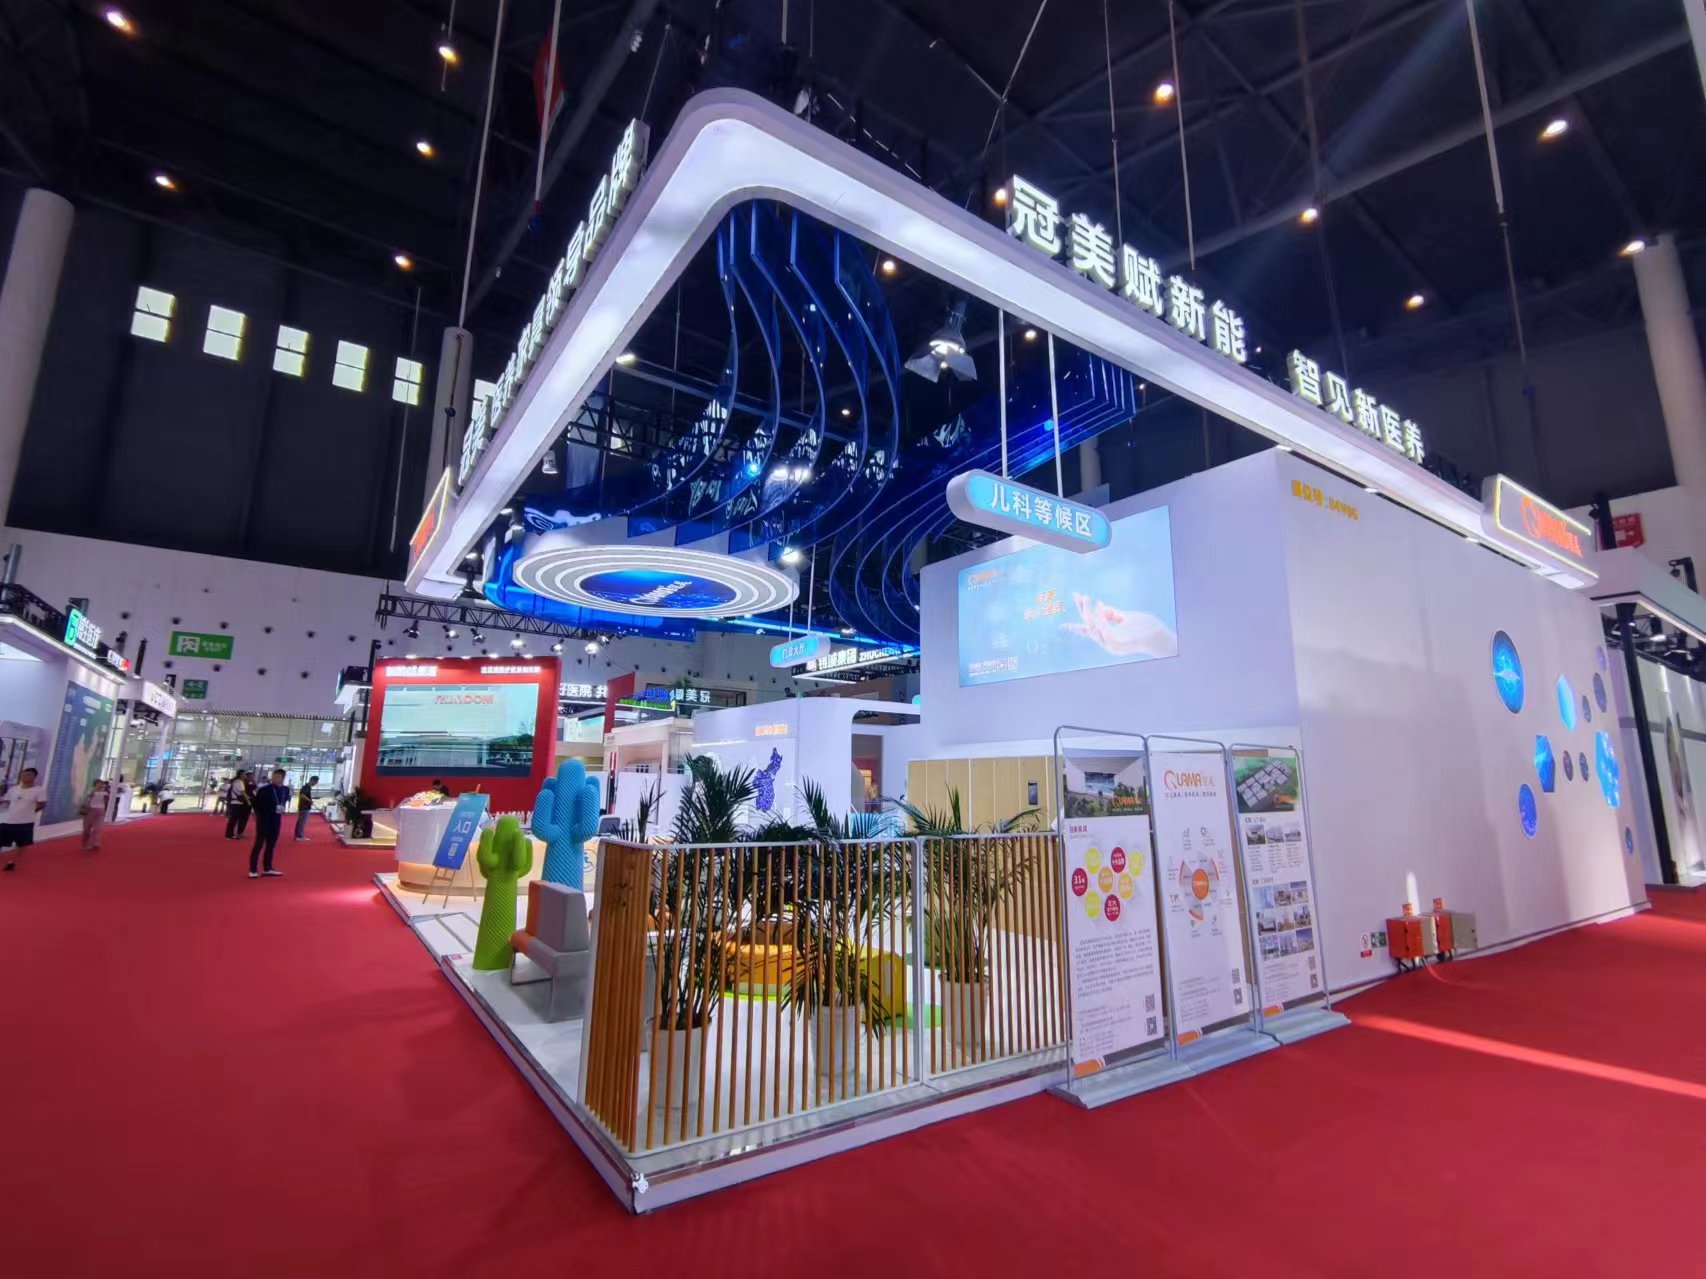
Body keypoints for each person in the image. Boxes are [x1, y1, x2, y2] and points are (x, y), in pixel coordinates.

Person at [1, 767, 47, 872]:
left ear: (34, 777)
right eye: (23, 775)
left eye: (28, 775)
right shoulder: (13, 789)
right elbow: (6, 801)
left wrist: (30, 812)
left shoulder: (39, 790)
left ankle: (12, 862)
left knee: (21, 845)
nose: (25, 777)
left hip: (25, 822)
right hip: (9, 820)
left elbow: (42, 804)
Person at [248, 767, 291, 878]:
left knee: (271, 845)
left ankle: (267, 868)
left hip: (276, 820)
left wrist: (281, 809)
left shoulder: (285, 790)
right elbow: (256, 804)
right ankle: (253, 869)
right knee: (258, 845)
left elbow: (284, 801)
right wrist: (258, 816)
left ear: (283, 778)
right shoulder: (264, 789)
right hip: (263, 820)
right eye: (273, 776)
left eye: (277, 777)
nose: (274, 778)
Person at [81, 779, 110, 851]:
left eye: (101, 784)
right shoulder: (90, 791)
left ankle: (95, 843)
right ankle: (85, 844)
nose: (100, 785)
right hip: (90, 811)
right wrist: (95, 789)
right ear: (95, 784)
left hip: (100, 811)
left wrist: (105, 810)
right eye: (98, 783)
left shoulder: (105, 793)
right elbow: (89, 797)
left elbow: (106, 802)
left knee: (97, 829)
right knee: (87, 829)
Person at [224, 771, 253, 840]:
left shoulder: (235, 782)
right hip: (237, 803)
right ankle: (229, 835)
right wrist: (248, 801)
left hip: (235, 802)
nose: (245, 776)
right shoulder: (239, 782)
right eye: (244, 774)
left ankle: (231, 834)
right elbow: (243, 793)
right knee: (233, 820)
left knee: (234, 819)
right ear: (241, 775)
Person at [294, 774, 318, 841]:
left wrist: (310, 799)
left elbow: (304, 795)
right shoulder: (306, 787)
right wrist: (309, 800)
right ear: (312, 780)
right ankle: (299, 836)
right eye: (315, 782)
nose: (315, 784)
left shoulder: (307, 787)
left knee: (300, 821)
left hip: (303, 807)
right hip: (304, 807)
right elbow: (302, 795)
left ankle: (297, 835)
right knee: (302, 822)